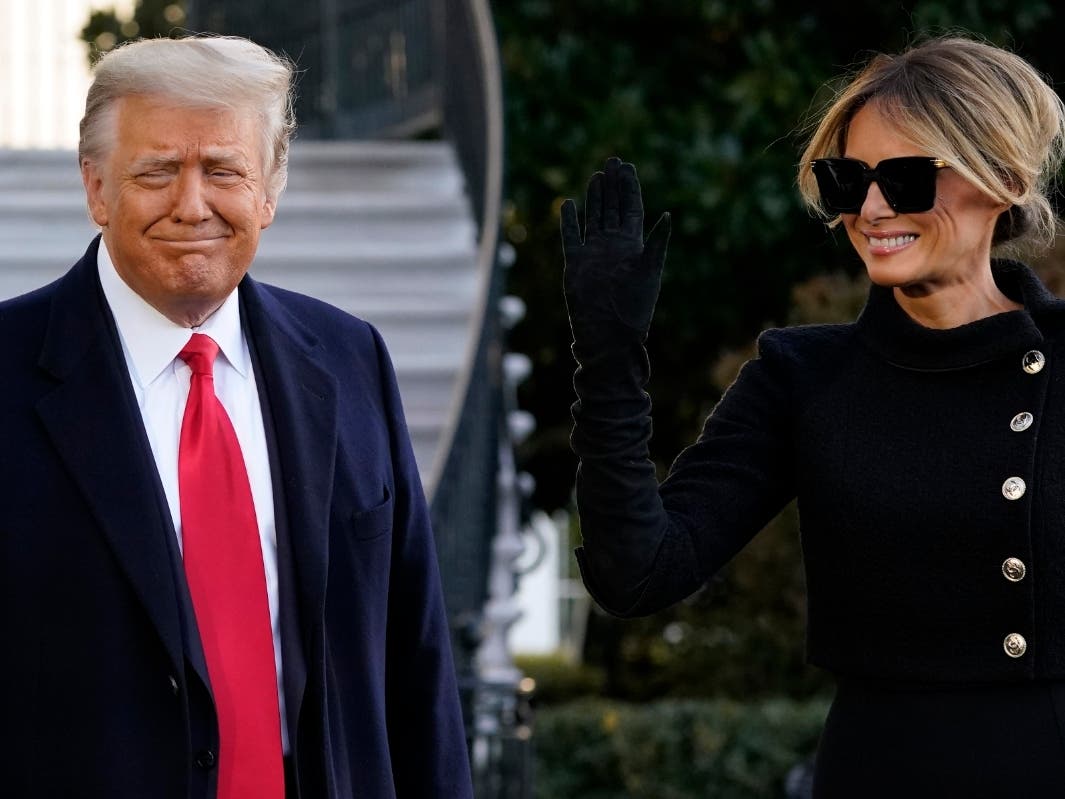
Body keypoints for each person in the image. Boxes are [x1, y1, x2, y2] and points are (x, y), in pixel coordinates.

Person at [561, 34, 1065, 796]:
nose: (869, 208)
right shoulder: (803, 376)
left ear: (1002, 178)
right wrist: (607, 360)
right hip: (878, 771)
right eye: (845, 180)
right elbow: (639, 572)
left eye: (903, 178)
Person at [0, 35, 473, 799]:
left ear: (269, 191)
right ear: (95, 187)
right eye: (156, 171)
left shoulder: (352, 360)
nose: (193, 205)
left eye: (223, 170)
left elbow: (416, 661)